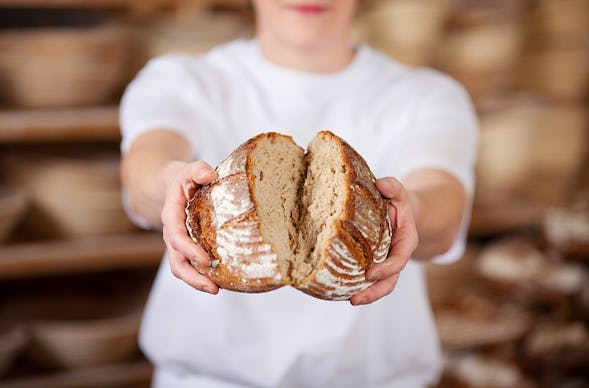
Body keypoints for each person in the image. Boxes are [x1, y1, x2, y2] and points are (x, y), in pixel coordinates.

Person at [119, 0, 478, 386]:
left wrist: (413, 211)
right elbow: (146, 167)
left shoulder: (426, 94)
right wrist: (170, 181)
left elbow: (443, 203)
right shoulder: (182, 78)